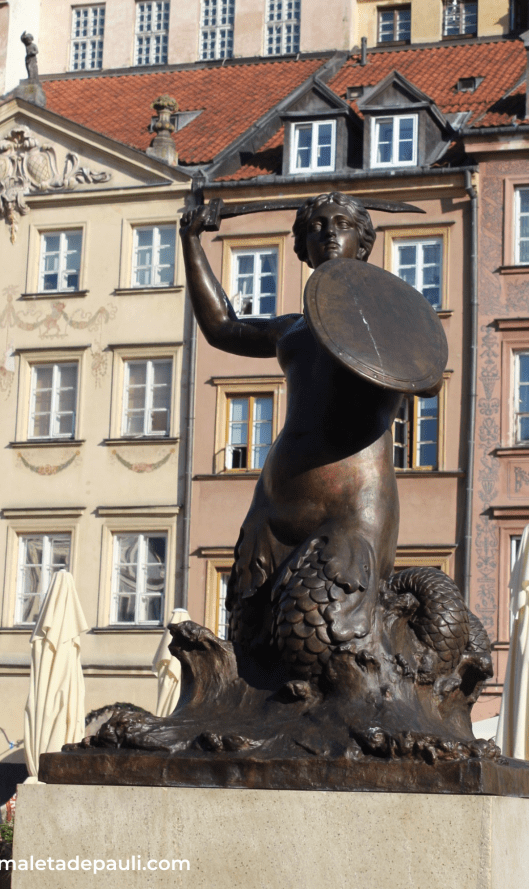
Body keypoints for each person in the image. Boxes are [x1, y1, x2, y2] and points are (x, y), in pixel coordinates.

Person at [180, 192, 425, 673]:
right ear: (301, 247)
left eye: (342, 224)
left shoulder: (385, 320)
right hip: (276, 500)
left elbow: (427, 376)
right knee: (250, 643)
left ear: (363, 244)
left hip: (352, 502)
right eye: (315, 226)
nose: (328, 232)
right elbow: (222, 327)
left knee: (323, 640)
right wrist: (191, 241)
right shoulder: (291, 328)